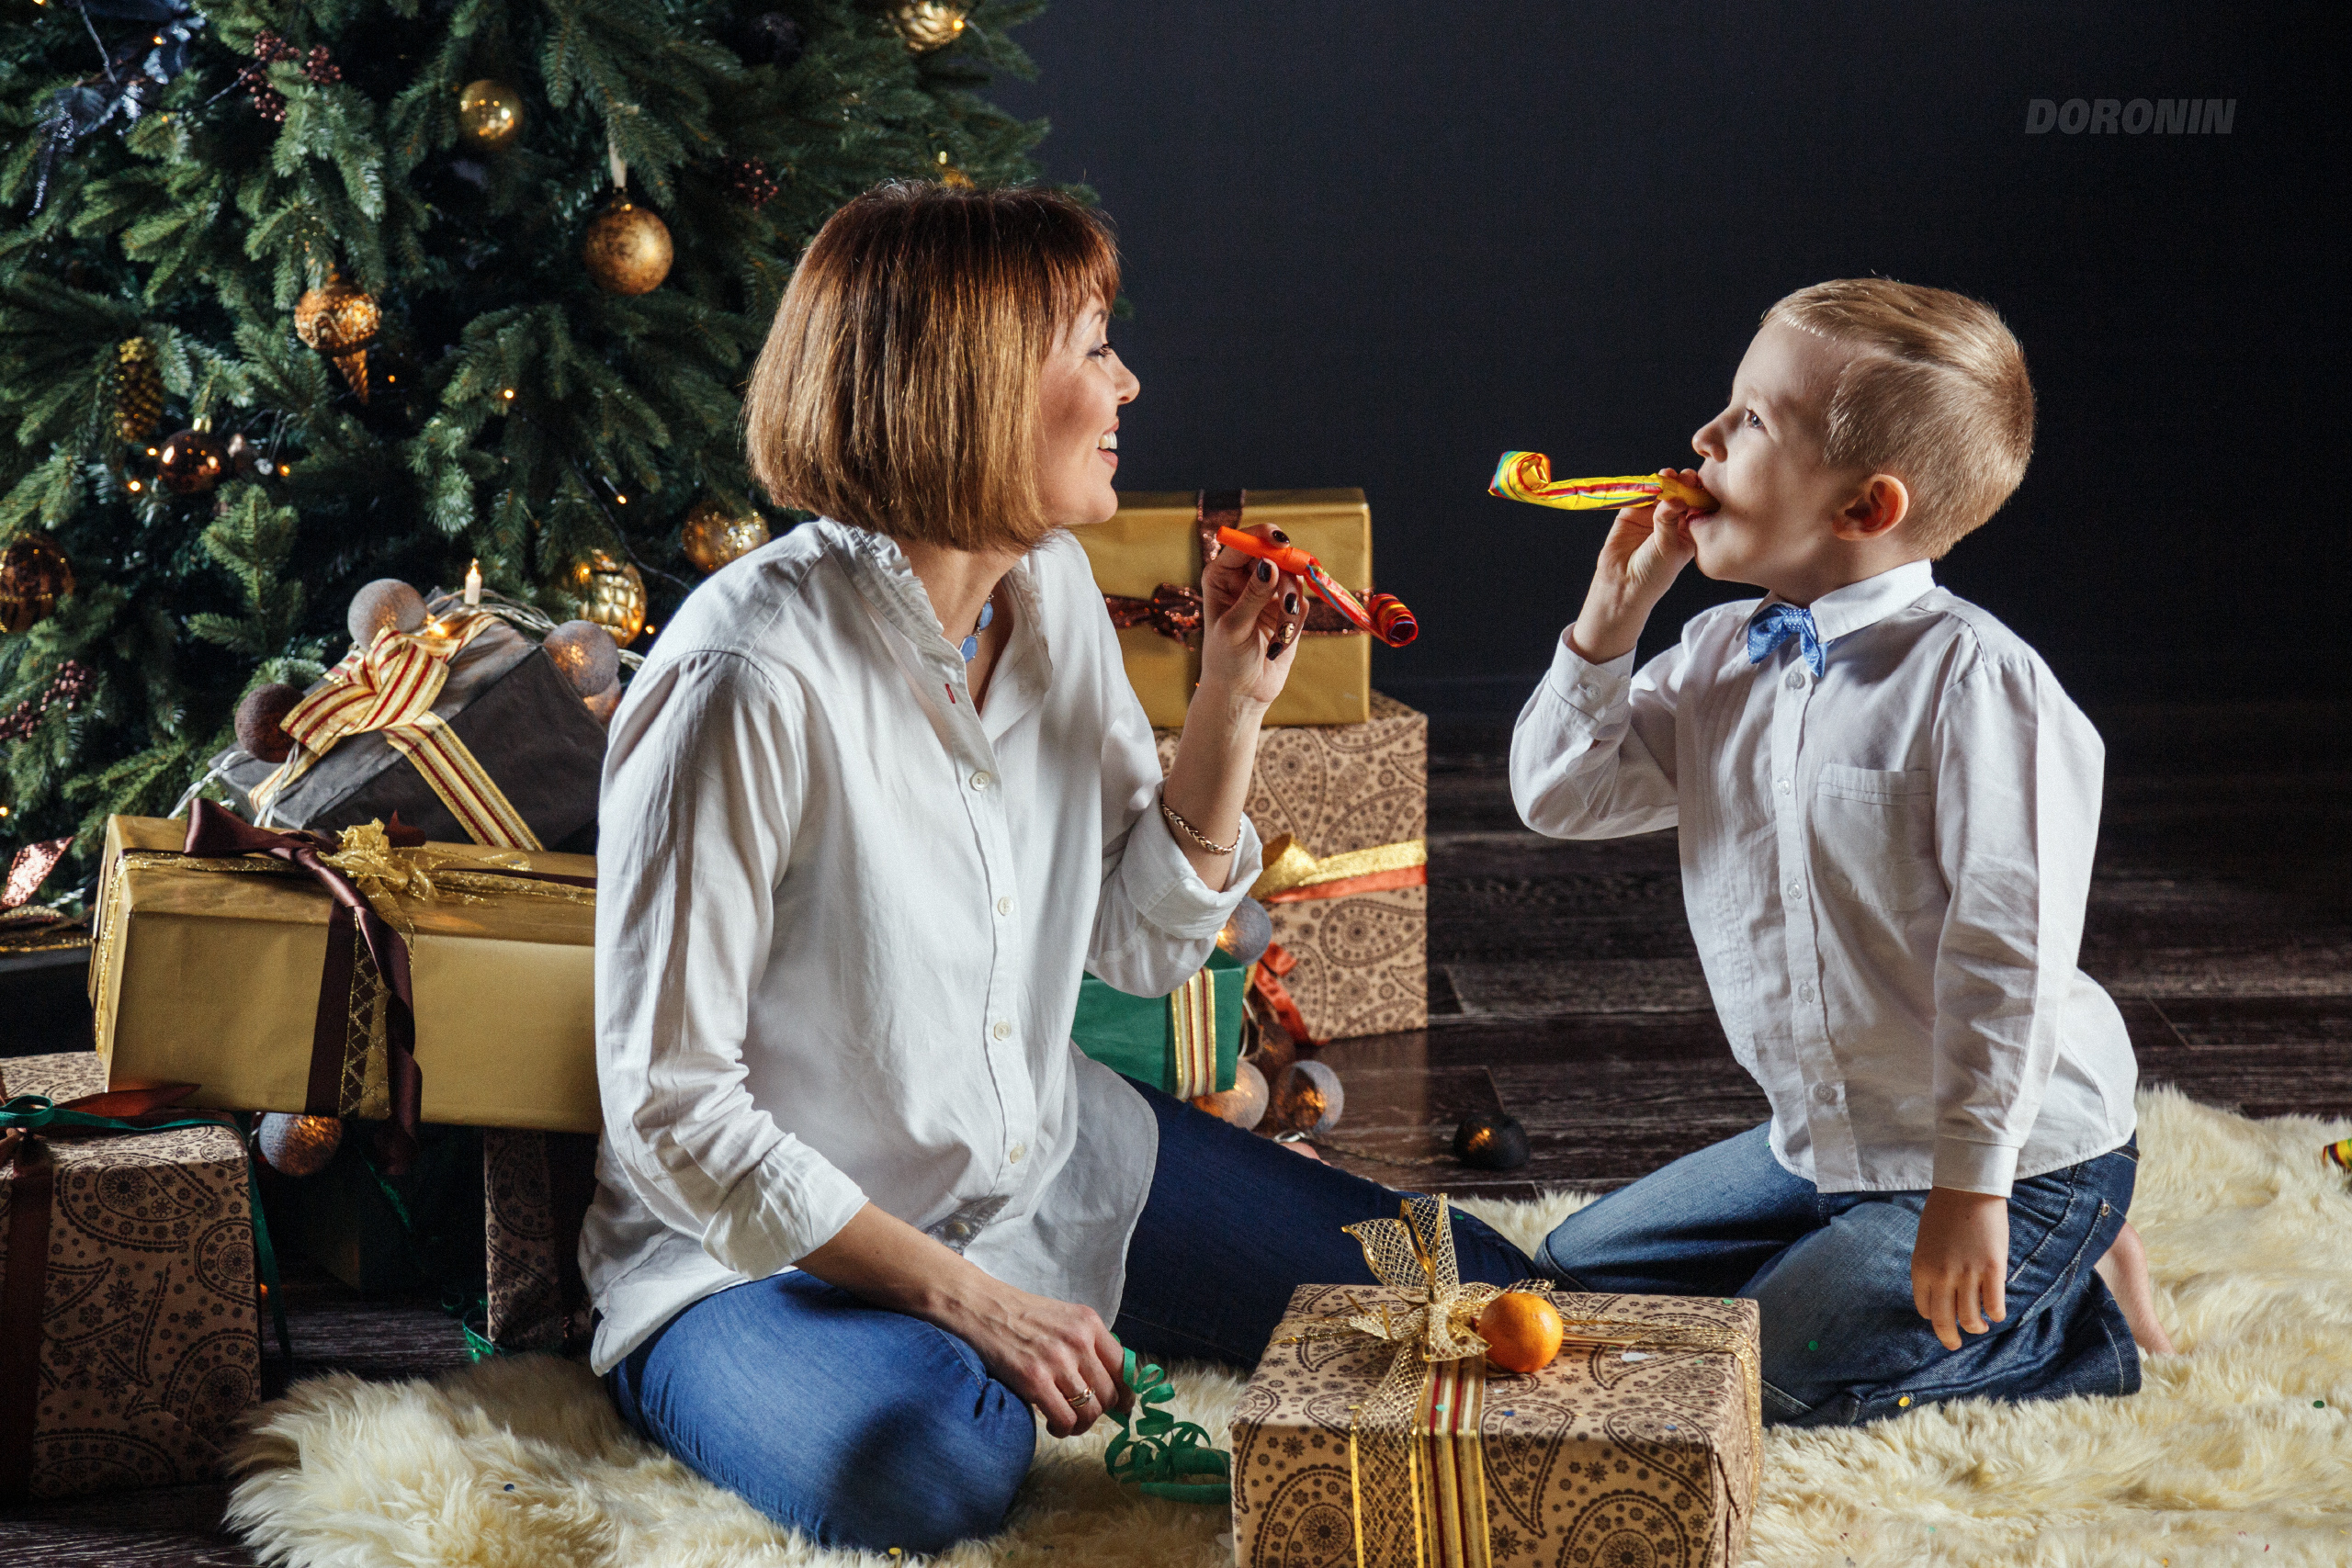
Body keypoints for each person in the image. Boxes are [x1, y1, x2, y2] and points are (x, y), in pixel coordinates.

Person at [579, 183, 1534, 1554]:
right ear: (973, 391)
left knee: (1473, 1291)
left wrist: (1229, 704)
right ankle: (775, 1378)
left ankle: (1016, 1326)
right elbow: (673, 1110)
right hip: (748, 1252)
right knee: (933, 1469)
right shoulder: (747, 676)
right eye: (1093, 346)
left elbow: (1140, 947)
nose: (1128, 380)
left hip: (1040, 1165)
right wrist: (971, 1301)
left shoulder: (1055, 592)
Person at [1511, 278, 2174, 1430]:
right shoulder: (1721, 653)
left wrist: (1971, 1194)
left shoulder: (1980, 687)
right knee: (1575, 1272)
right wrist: (1607, 623)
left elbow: (2003, 956)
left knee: (1758, 1382)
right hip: (1837, 1139)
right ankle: (1910, 1271)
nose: (1703, 440)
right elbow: (1557, 796)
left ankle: (2067, 1315)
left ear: (1866, 508)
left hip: (2017, 1158)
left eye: (1754, 422)